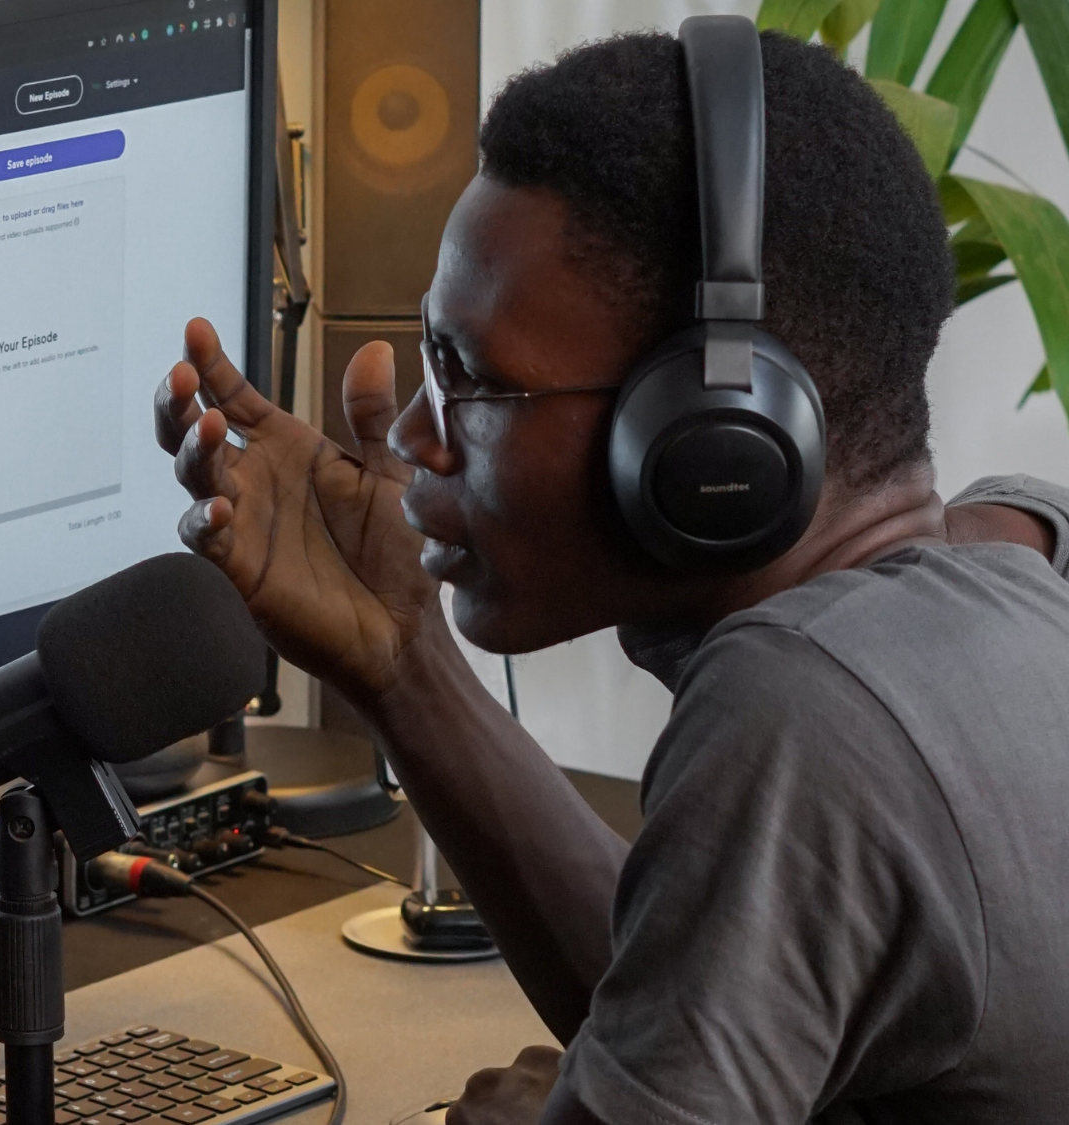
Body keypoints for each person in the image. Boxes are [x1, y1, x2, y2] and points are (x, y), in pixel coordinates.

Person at [155, 24, 1069, 1125]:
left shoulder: (800, 710)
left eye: (468, 376)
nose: (411, 432)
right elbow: (704, 992)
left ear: (707, 438)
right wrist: (399, 658)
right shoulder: (1030, 551)